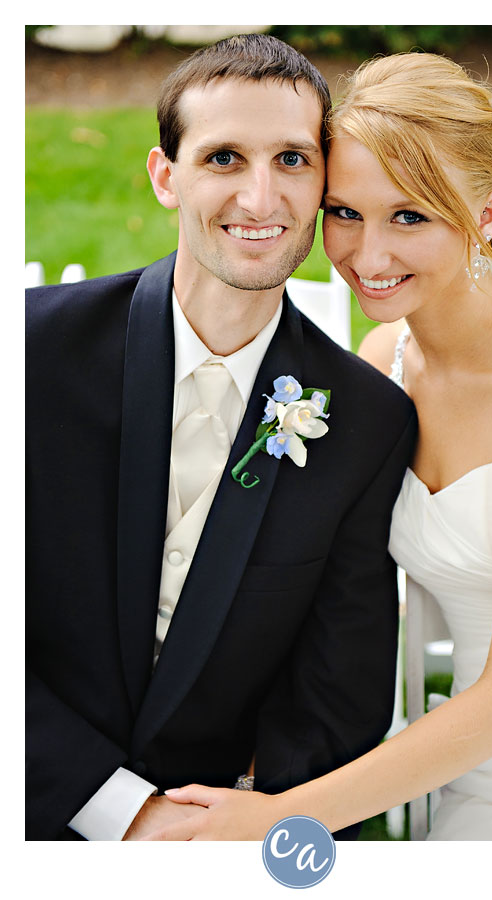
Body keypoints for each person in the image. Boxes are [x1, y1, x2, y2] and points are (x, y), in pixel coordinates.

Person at [151, 51, 492, 841]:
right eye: (345, 212)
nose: (367, 258)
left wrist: (279, 817)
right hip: (446, 760)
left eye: (410, 217)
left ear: (485, 216)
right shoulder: (380, 368)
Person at [25, 35, 418, 841]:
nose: (260, 197)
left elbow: (340, 690)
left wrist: (231, 821)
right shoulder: (29, 356)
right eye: (225, 158)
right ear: (166, 177)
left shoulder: (366, 420)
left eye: (292, 160)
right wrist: (124, 814)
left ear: (323, 184)